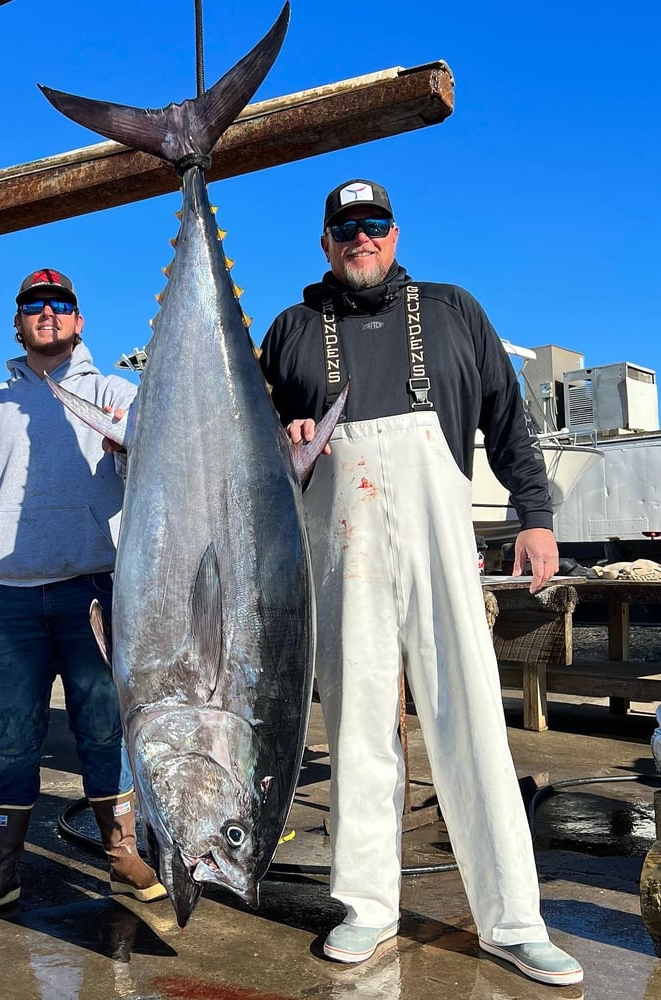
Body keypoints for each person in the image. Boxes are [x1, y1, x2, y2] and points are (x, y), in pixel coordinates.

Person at [259, 181, 583, 986]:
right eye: (344, 228)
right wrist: (282, 433)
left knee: (468, 714)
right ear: (325, 243)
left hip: (440, 541)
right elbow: (255, 447)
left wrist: (534, 515)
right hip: (340, 550)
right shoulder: (291, 330)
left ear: (394, 234)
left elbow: (508, 419)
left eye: (372, 225)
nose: (359, 238)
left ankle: (512, 918)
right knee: (359, 726)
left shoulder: (452, 309)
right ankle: (365, 906)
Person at [0, 267, 165, 925]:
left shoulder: (121, 394)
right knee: (12, 735)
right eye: (33, 304)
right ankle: (1, 870)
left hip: (94, 588)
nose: (47, 312)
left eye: (60, 303)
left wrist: (131, 446)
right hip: (7, 597)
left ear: (79, 318)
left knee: (103, 728)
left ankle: (121, 855)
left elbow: (159, 470)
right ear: (18, 322)